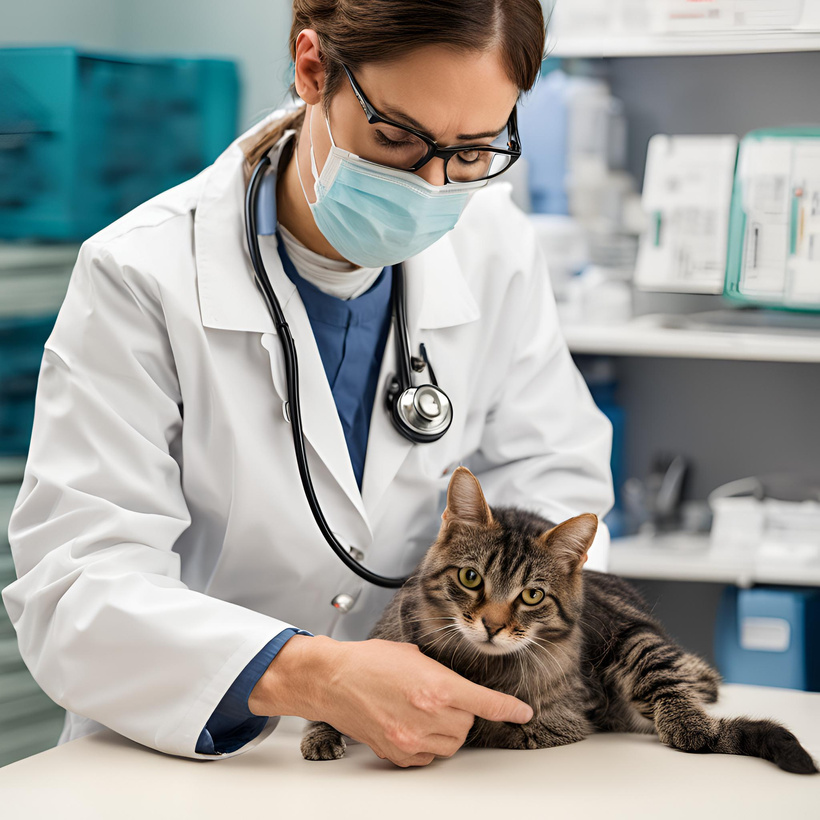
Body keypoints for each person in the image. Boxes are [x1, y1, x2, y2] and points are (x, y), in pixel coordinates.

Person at [1, 0, 614, 768]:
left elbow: (552, 478)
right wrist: (310, 674)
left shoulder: (496, 250)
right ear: (313, 69)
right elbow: (77, 590)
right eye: (395, 137)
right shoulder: (142, 275)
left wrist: (500, 632)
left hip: (435, 751)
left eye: (472, 152)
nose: (431, 185)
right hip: (188, 760)